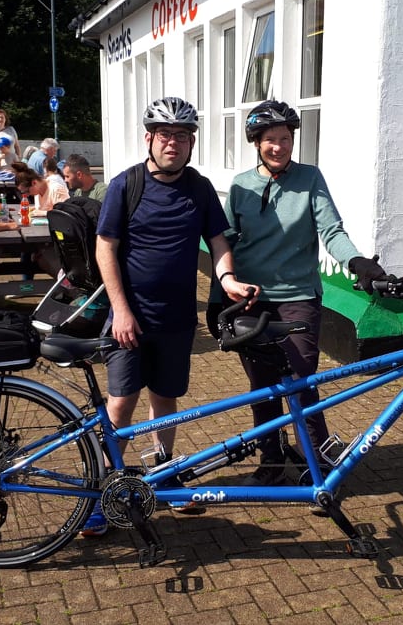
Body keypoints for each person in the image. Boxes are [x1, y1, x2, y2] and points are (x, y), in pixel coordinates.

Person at [83, 96, 256, 536]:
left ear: (191, 141)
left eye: (182, 136)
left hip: (177, 320)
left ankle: (164, 476)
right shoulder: (125, 185)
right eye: (165, 135)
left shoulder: (198, 188)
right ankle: (102, 492)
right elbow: (106, 248)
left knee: (165, 399)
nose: (173, 143)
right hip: (130, 319)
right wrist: (120, 311)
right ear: (150, 139)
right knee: (120, 404)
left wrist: (229, 279)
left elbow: (217, 241)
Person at [213, 99, 386, 491]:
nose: (279, 146)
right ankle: (271, 461)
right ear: (256, 142)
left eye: (286, 139)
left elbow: (331, 230)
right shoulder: (240, 185)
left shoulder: (310, 178)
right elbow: (226, 242)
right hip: (251, 298)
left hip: (298, 297)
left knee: (300, 378)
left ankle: (318, 462)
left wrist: (356, 261)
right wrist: (217, 296)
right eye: (271, 139)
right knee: (262, 384)